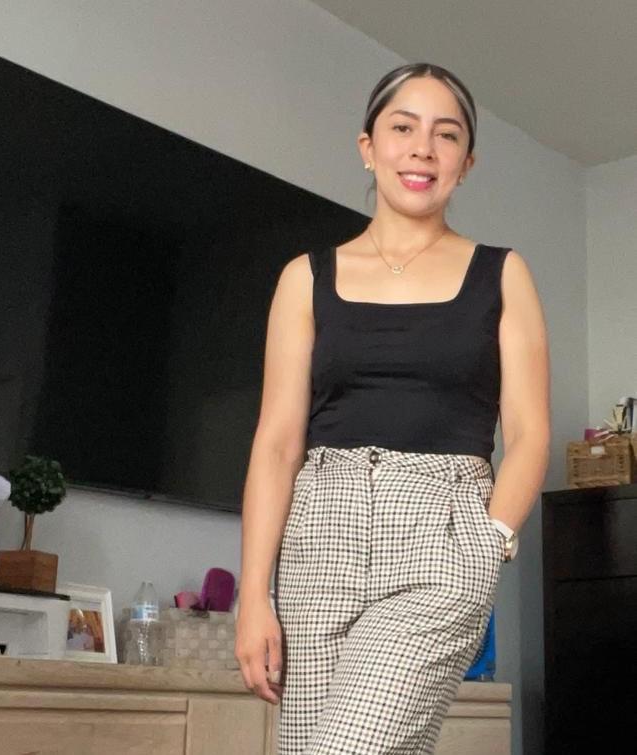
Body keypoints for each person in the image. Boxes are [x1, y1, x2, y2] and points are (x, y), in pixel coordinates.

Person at [234, 61, 550, 754]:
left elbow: (529, 434)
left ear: (466, 163)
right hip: (318, 539)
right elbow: (277, 442)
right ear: (367, 146)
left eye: (446, 135)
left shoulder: (502, 274)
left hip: (442, 534)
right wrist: (253, 593)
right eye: (403, 128)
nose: (422, 149)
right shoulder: (305, 278)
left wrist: (488, 540)